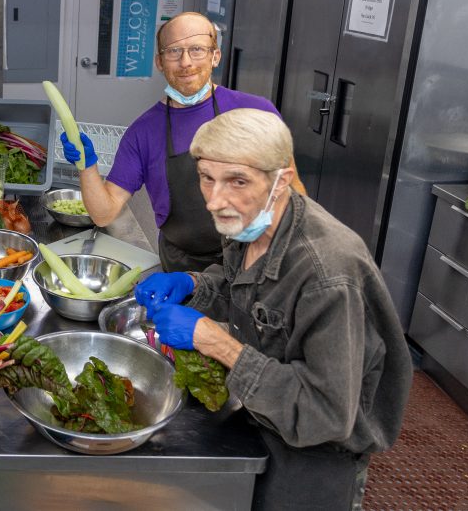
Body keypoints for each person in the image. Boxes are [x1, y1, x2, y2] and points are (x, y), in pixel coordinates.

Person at [137, 108, 411, 510]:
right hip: (260, 414)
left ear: (280, 181)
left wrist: (217, 343)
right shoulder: (251, 222)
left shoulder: (328, 275)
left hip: (315, 457)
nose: (215, 200)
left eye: (237, 181)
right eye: (206, 178)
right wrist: (195, 284)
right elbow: (245, 289)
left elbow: (326, 414)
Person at [60, 11, 304, 272]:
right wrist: (87, 167)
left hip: (256, 260)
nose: (186, 62)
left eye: (197, 49)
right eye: (174, 51)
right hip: (182, 267)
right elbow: (104, 213)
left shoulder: (257, 111)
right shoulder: (143, 132)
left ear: (215, 56)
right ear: (159, 62)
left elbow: (294, 192)